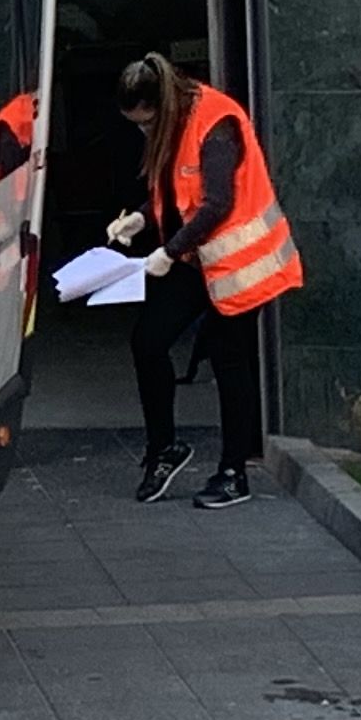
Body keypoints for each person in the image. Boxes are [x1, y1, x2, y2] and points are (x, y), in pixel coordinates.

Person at [105, 51, 301, 509]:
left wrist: (168, 252)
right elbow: (177, 194)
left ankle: (233, 473)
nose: (142, 131)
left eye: (144, 122)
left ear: (163, 105)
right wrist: (137, 220)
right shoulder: (172, 123)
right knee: (147, 343)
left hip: (236, 264)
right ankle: (164, 449)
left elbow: (217, 203)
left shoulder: (216, 121)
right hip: (194, 259)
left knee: (231, 363)